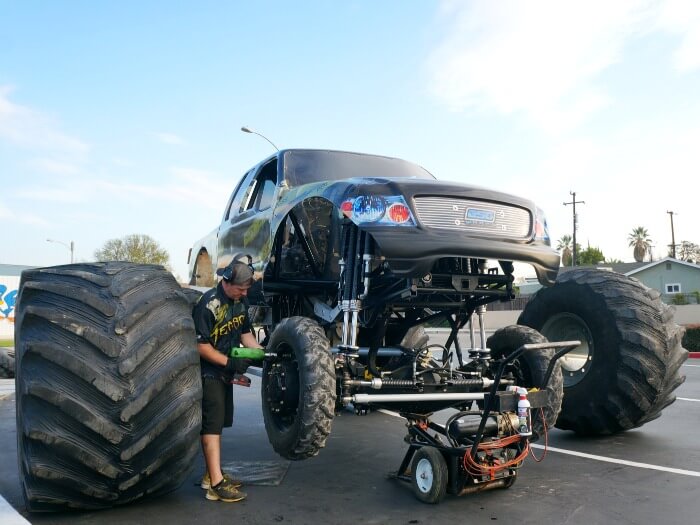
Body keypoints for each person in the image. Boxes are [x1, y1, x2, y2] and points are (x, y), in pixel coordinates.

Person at [191, 259, 263, 503]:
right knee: (211, 426)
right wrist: (228, 362)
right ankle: (216, 485)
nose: (245, 293)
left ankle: (211, 475)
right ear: (227, 281)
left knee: (219, 423)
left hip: (224, 371)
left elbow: (245, 334)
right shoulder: (208, 305)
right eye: (241, 289)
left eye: (247, 290)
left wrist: (261, 353)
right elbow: (200, 346)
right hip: (208, 371)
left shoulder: (239, 301)